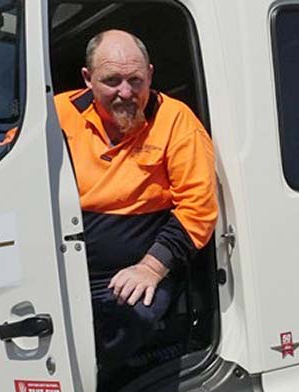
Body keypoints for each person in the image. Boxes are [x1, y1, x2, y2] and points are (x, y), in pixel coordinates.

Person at [55, 29, 218, 373]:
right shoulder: (57, 113)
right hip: (62, 264)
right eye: (112, 81)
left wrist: (151, 268)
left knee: (132, 315)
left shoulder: (176, 121)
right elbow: (6, 158)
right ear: (88, 79)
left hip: (137, 266)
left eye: (136, 80)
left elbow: (198, 207)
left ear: (151, 75)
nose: (126, 93)